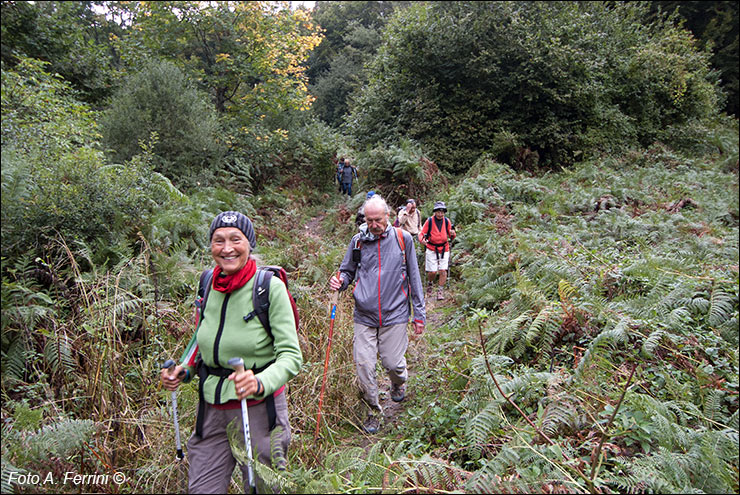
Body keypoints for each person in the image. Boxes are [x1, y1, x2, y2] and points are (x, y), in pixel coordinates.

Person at [160, 211, 303, 493]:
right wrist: (185, 370)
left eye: (235, 239)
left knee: (262, 488)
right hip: (211, 412)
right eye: (218, 240)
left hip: (258, 410)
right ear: (211, 246)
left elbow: (291, 356)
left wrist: (259, 381)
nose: (227, 248)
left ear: (249, 243)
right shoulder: (207, 283)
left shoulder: (268, 288)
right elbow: (203, 339)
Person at [329, 195, 426, 434]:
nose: (373, 225)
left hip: (395, 314)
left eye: (378, 220)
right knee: (363, 366)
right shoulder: (357, 242)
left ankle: (398, 382)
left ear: (388, 217)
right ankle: (373, 410)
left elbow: (414, 278)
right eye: (369, 220)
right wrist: (340, 281)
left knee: (392, 363)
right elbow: (347, 271)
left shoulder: (403, 240)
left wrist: (419, 314)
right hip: (364, 315)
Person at [419, 201, 456, 301]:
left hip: (444, 248)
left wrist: (453, 233)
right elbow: (422, 233)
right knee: (432, 272)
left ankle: (440, 291)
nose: (440, 214)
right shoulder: (429, 221)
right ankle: (430, 284)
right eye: (438, 212)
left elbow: (451, 235)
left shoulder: (447, 221)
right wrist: (422, 240)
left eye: (442, 212)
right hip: (431, 248)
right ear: (435, 212)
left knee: (443, 270)